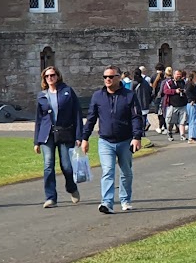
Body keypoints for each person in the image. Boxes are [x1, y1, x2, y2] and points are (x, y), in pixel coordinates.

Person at [78, 64, 145, 214]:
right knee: (108, 171)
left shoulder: (129, 95)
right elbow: (91, 118)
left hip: (125, 140)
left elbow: (136, 117)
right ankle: (107, 203)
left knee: (126, 172)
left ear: (118, 77)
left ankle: (125, 200)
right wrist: (85, 138)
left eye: (110, 76)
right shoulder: (98, 96)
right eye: (105, 77)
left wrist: (137, 137)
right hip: (105, 141)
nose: (107, 79)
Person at [34, 66, 82, 208]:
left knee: (67, 166)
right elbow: (38, 119)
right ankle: (51, 198)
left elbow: (77, 114)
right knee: (48, 165)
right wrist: (36, 141)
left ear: (58, 76)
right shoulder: (41, 95)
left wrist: (79, 136)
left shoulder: (67, 91)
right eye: (47, 76)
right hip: (47, 134)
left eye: (52, 75)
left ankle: (71, 187)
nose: (50, 78)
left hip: (65, 132)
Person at [182, 68, 196, 144]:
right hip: (193, 103)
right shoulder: (190, 84)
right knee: (194, 121)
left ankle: (192, 137)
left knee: (192, 121)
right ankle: (192, 137)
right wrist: (191, 99)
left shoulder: (190, 83)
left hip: (194, 103)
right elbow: (187, 91)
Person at [132, 69, 155, 136]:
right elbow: (150, 92)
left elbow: (130, 93)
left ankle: (138, 131)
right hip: (145, 102)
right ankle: (143, 132)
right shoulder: (145, 82)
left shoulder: (133, 82)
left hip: (136, 103)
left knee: (137, 118)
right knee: (144, 118)